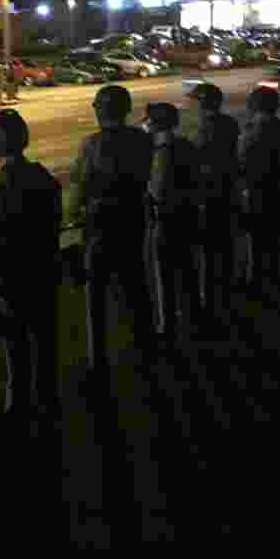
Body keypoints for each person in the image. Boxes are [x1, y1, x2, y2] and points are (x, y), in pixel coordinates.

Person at [0, 109, 62, 526]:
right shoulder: (42, 176)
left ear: (3, 141)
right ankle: (45, 405)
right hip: (42, 270)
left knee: (16, 347)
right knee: (43, 339)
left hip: (12, 276)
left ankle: (18, 410)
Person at [68, 85, 156, 403]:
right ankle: (146, 350)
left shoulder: (92, 144)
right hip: (133, 221)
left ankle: (98, 363)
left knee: (96, 298)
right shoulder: (142, 139)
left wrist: (69, 216)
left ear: (101, 110)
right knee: (136, 288)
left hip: (100, 226)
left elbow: (79, 186)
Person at [144, 102, 204, 344]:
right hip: (188, 215)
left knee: (164, 276)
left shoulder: (160, 150)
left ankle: (167, 326)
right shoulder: (186, 146)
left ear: (154, 123)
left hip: (166, 219)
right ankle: (195, 316)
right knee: (189, 269)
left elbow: (158, 190)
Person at [239, 87, 280, 290]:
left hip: (259, 192)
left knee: (258, 240)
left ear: (255, 106)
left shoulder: (252, 132)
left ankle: (257, 280)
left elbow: (241, 163)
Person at [190, 82, 241, 320]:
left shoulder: (207, 127)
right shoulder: (230, 123)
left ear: (203, 103)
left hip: (212, 192)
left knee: (210, 248)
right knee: (226, 244)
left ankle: (208, 297)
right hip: (229, 189)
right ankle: (228, 289)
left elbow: (199, 157)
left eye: (196, 101)